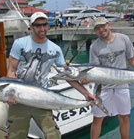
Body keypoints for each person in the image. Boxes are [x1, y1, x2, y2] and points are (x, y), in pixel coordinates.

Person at [6, 11, 95, 139]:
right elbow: (11, 71)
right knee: (16, 137)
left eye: (44, 24)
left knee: (54, 136)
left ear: (48, 25)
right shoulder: (20, 43)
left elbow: (65, 75)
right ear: (31, 26)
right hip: (19, 100)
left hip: (41, 99)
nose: (42, 28)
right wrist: (11, 93)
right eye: (37, 25)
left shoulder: (55, 49)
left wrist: (85, 93)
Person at [88, 17, 134, 139]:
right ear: (95, 31)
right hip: (103, 88)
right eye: (97, 28)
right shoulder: (94, 46)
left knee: (124, 116)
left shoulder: (124, 39)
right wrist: (87, 78)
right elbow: (95, 69)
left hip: (122, 85)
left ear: (108, 25)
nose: (101, 30)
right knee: (97, 118)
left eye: (102, 26)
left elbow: (132, 60)